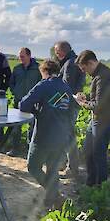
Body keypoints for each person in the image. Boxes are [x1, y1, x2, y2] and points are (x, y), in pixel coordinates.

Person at [19, 59, 75, 208]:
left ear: (44, 71)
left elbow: (24, 105)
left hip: (44, 135)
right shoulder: (66, 88)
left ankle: (54, 195)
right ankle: (52, 201)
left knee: (33, 167)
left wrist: (36, 111)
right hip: (62, 136)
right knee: (52, 169)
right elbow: (70, 112)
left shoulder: (44, 85)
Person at [74, 50, 110, 186]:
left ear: (90, 63)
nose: (84, 72)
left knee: (98, 154)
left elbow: (99, 105)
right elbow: (99, 97)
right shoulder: (99, 74)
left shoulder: (103, 76)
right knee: (88, 151)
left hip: (104, 120)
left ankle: (101, 186)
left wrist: (83, 103)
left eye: (84, 68)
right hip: (97, 119)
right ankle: (91, 182)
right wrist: (86, 97)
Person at [54, 41, 86, 178]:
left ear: (62, 51)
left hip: (68, 105)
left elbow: (66, 87)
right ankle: (63, 163)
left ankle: (72, 168)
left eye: (57, 51)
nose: (56, 54)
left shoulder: (69, 64)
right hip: (73, 104)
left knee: (68, 136)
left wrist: (56, 103)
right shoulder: (75, 61)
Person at [7, 47, 41, 156]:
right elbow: (11, 83)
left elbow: (42, 83)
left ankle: (29, 150)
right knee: (16, 126)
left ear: (29, 56)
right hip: (19, 101)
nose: (20, 58)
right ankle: (15, 149)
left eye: (22, 56)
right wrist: (15, 92)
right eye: (19, 56)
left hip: (33, 102)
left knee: (32, 127)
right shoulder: (17, 69)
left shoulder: (38, 69)